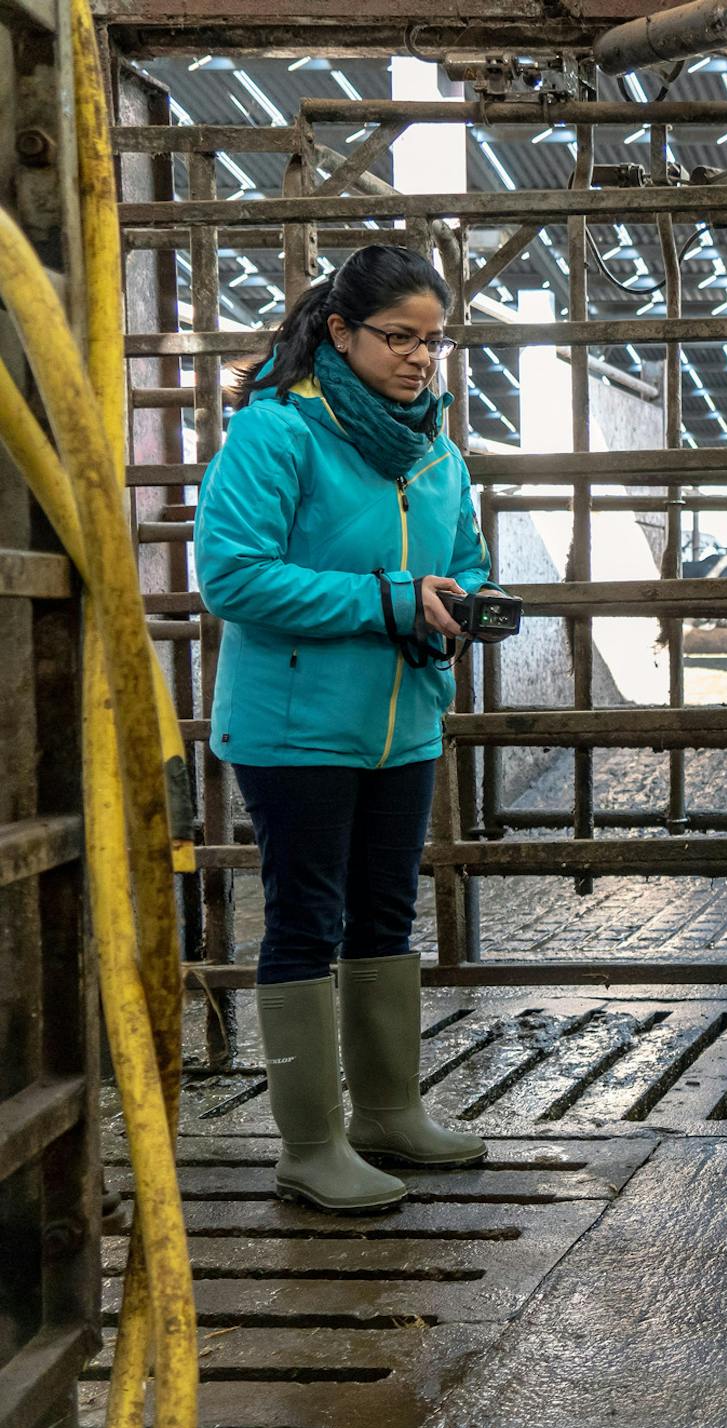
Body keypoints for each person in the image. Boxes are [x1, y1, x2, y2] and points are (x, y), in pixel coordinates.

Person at [197, 244, 493, 1213]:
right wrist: (391, 600)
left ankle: (389, 1112)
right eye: (398, 338)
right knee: (303, 922)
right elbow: (233, 576)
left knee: (383, 916)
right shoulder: (279, 433)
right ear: (340, 333)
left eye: (433, 341)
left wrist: (466, 603)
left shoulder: (437, 448)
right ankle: (310, 1143)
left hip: (401, 724)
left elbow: (467, 562)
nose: (419, 359)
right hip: (296, 730)